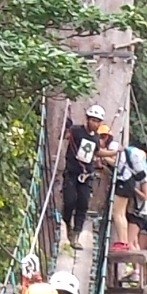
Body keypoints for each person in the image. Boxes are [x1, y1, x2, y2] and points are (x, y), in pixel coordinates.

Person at [59, 103, 108, 245]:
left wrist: (114, 152)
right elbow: (65, 136)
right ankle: (67, 223)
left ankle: (76, 234)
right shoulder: (76, 131)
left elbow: (97, 152)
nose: (95, 124)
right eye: (93, 120)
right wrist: (66, 127)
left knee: (83, 203)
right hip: (72, 173)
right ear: (87, 119)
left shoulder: (96, 138)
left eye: (97, 121)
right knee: (69, 201)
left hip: (86, 175)